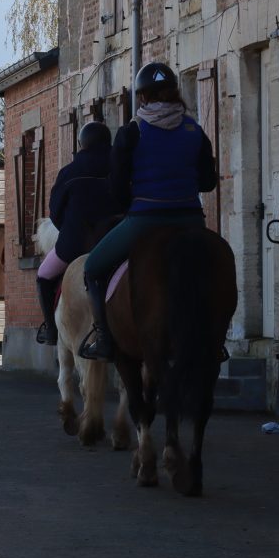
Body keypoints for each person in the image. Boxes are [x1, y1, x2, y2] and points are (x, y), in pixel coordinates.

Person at [79, 61, 218, 360]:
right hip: (192, 221)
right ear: (174, 93)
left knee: (92, 268)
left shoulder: (132, 131)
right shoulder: (195, 130)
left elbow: (117, 187)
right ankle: (216, 343)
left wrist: (133, 203)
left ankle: (103, 339)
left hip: (145, 220)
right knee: (212, 273)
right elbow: (208, 182)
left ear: (142, 97)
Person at [36, 121, 122, 345]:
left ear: (82, 144)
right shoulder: (121, 167)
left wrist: (70, 227)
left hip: (76, 243)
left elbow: (55, 212)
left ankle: (51, 330)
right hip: (117, 240)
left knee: (44, 276)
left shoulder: (69, 172)